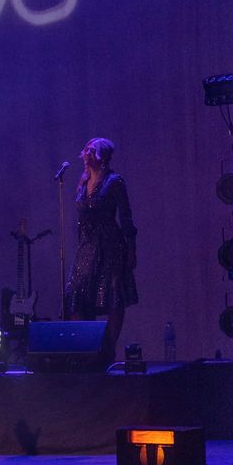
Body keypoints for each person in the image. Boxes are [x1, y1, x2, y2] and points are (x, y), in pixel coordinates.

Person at [64, 138, 138, 368]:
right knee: (76, 294)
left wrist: (131, 248)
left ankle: (108, 349)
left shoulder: (114, 182)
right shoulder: (83, 179)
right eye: (85, 149)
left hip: (109, 245)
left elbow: (125, 217)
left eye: (91, 150)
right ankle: (88, 347)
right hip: (87, 246)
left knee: (112, 295)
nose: (86, 153)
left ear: (101, 156)